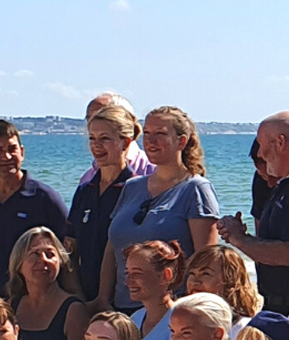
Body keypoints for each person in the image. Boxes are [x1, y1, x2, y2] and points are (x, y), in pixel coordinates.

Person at [100, 106, 221, 310]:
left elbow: (206, 260)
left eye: (160, 134)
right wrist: (103, 299)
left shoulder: (195, 189)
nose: (151, 141)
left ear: (181, 141)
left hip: (171, 311)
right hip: (122, 307)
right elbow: (112, 248)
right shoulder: (132, 186)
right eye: (147, 134)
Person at [221, 110, 289, 314]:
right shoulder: (288, 183)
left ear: (280, 142)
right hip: (277, 304)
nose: (261, 154)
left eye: (262, 144)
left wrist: (239, 239)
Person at [0, 120, 70, 295]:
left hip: (34, 298)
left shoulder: (45, 198)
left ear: (22, 152)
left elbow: (67, 252)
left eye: (12, 149)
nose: (6, 157)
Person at [67, 100, 140, 293]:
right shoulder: (84, 191)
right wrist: (78, 297)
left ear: (125, 142)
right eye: (92, 138)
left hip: (125, 298)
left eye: (105, 139)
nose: (96, 146)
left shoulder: (137, 191)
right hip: (86, 296)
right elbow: (70, 250)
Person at [8, 226, 90, 340]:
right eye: (35, 254)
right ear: (19, 264)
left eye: (50, 254)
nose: (43, 260)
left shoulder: (73, 311)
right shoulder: (11, 307)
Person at [122, 240, 185, 340]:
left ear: (165, 276)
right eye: (127, 273)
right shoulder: (134, 319)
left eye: (137, 274)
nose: (128, 281)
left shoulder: (181, 323)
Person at [186, 243, 262, 338]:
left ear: (230, 281)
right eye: (192, 273)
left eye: (206, 274)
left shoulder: (243, 330)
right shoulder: (178, 324)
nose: (194, 281)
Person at [83, 92, 153, 177]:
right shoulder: (88, 179)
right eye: (89, 118)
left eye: (104, 115)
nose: (94, 122)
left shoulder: (152, 172)